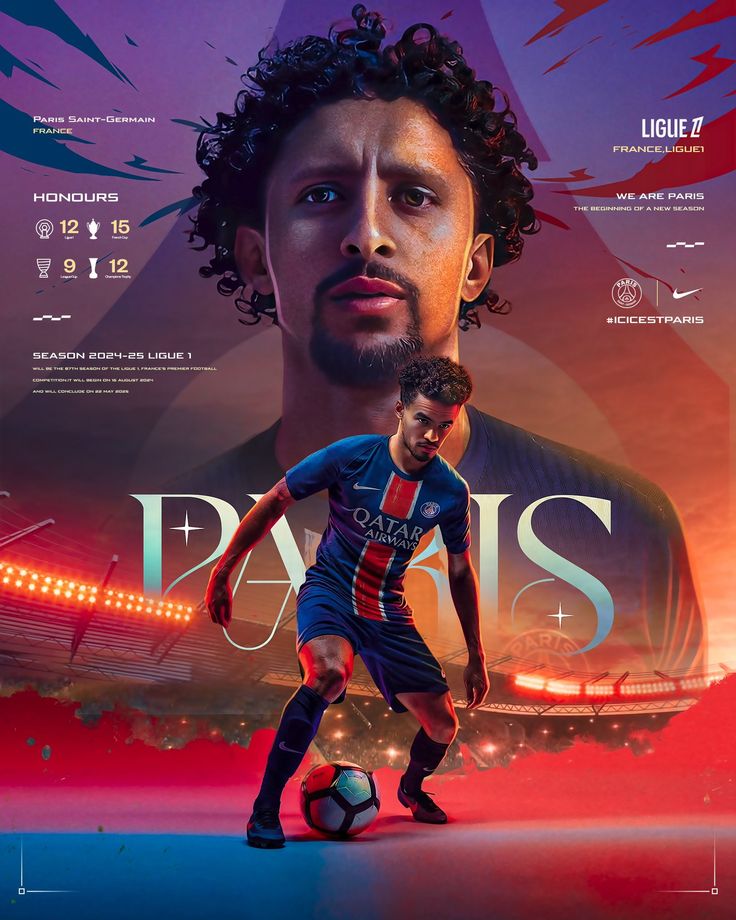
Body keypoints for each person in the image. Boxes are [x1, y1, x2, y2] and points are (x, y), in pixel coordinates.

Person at [188, 5, 703, 675]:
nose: (365, 234)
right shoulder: (154, 530)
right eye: (321, 195)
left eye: (413, 196)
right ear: (256, 257)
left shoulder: (629, 526)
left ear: (476, 265)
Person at [205, 357, 489, 847]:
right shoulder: (351, 455)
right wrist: (225, 567)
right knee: (328, 675)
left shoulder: (450, 491)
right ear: (400, 409)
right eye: (423, 419)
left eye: (445, 425)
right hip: (331, 593)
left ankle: (412, 789)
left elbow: (461, 570)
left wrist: (477, 654)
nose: (432, 435)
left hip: (388, 611)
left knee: (444, 724)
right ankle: (265, 809)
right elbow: (276, 499)